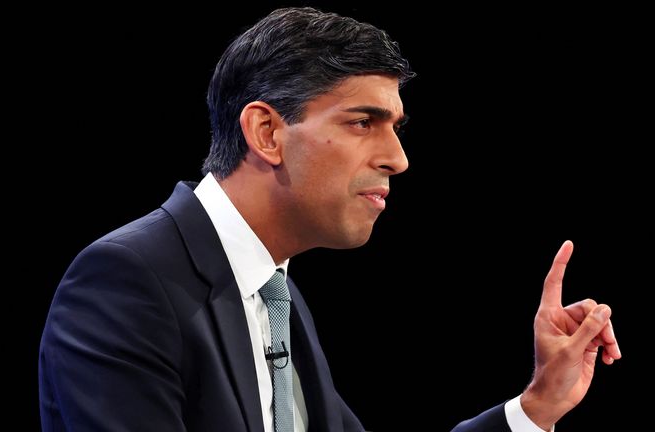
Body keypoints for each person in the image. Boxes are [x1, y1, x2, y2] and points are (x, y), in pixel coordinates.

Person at [38, 7, 621, 432]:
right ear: (267, 133)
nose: (398, 157)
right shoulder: (128, 279)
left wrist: (537, 404)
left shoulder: (276, 295)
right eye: (363, 121)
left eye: (396, 126)